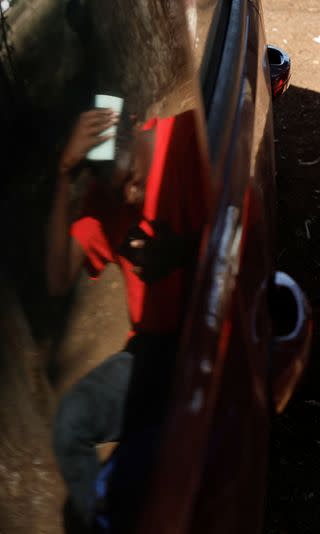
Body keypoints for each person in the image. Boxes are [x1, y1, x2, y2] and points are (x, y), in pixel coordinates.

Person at [48, 106, 206, 527]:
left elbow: (242, 223)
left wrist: (184, 251)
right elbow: (59, 277)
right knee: (71, 421)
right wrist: (64, 175)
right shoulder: (108, 198)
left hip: (209, 333)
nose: (132, 197)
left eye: (134, 179)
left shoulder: (191, 136)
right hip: (154, 352)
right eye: (121, 191)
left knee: (151, 464)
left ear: (138, 128)